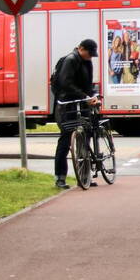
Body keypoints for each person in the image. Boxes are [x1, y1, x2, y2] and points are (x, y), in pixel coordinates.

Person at [52, 39, 100, 190]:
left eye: (92, 55)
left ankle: (85, 176)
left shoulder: (87, 62)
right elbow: (65, 83)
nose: (90, 57)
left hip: (82, 102)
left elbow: (88, 84)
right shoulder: (70, 60)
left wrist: (92, 95)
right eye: (88, 53)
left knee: (86, 137)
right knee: (66, 139)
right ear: (80, 48)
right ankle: (60, 177)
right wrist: (84, 96)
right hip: (67, 105)